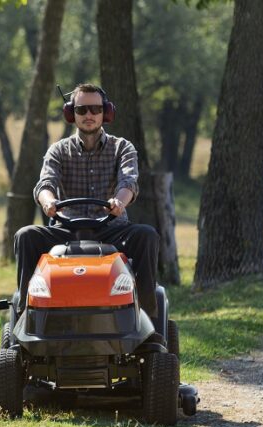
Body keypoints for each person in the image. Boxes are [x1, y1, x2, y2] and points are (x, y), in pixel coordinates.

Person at [14, 83, 161, 334]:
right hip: (67, 229)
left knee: (147, 235)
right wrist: (48, 201)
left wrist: (119, 202)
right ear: (72, 114)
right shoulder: (58, 150)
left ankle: (148, 322)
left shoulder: (122, 148)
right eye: (82, 109)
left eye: (95, 109)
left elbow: (129, 182)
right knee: (25, 235)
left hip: (111, 229)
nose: (89, 115)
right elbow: (45, 183)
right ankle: (27, 315)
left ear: (106, 113)